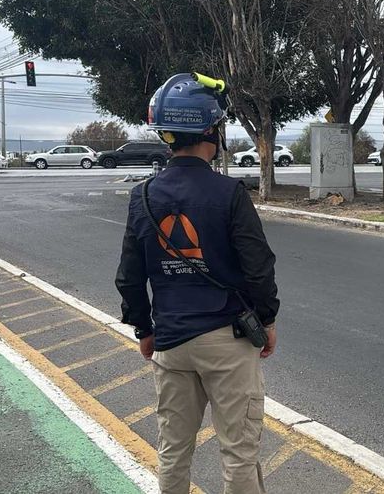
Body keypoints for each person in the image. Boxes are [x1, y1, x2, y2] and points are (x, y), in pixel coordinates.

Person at [115, 72, 279, 494]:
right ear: (212, 130)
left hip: (170, 340)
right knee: (238, 451)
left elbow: (130, 276)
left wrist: (144, 328)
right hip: (227, 339)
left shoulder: (144, 196)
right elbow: (258, 265)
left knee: (173, 450)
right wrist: (268, 319)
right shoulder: (229, 193)